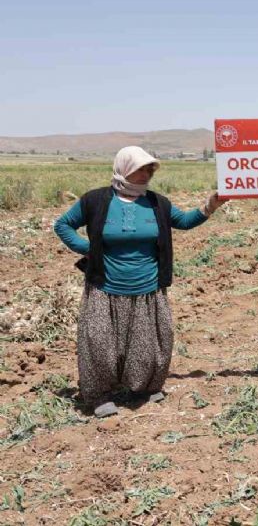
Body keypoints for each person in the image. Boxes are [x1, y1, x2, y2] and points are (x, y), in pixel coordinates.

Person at [53, 146, 227, 418]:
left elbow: (183, 221)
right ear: (124, 169)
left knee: (150, 341)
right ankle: (99, 396)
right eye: (140, 169)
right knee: (99, 342)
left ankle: (144, 387)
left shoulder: (157, 203)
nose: (146, 174)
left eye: (150, 169)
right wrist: (86, 248)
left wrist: (210, 206)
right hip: (105, 287)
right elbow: (63, 225)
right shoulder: (95, 200)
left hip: (147, 288)